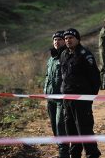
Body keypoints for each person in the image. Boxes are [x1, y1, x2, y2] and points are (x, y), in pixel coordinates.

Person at [60, 28, 101, 158]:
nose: (68, 40)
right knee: (70, 127)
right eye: (66, 38)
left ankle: (92, 153)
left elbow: (95, 77)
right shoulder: (64, 55)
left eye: (71, 38)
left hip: (81, 99)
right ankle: (75, 153)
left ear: (77, 39)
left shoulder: (85, 54)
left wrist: (89, 97)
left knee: (84, 127)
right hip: (67, 98)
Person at [43, 30, 69, 158]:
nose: (56, 42)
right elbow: (48, 76)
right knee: (54, 125)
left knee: (60, 125)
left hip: (61, 98)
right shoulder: (51, 58)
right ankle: (61, 151)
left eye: (59, 40)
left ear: (64, 41)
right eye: (54, 40)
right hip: (50, 98)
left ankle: (64, 153)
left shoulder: (66, 56)